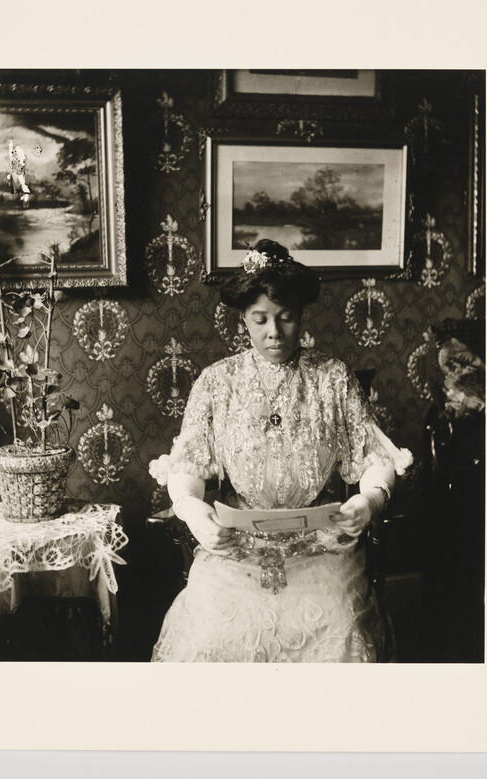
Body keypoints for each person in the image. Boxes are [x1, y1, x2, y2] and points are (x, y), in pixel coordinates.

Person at [149, 239, 412, 662]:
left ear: (301, 316)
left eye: (286, 318)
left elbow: (373, 457)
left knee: (340, 626)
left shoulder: (332, 378)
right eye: (261, 319)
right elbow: (189, 463)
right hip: (237, 546)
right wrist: (193, 511)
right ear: (243, 320)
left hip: (322, 543)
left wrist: (370, 499)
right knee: (209, 633)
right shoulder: (217, 382)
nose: (275, 332)